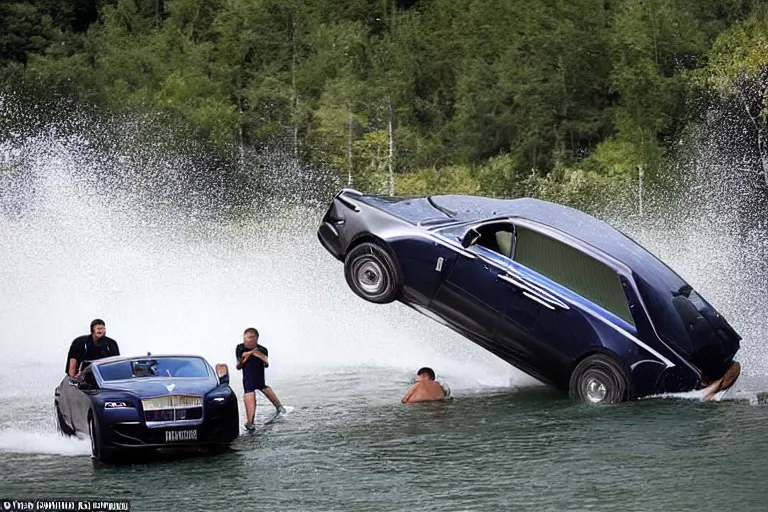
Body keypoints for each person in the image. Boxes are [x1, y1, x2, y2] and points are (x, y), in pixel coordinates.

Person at [235, 327, 286, 431]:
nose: (246, 340)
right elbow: (239, 364)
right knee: (249, 391)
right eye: (245, 338)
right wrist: (250, 353)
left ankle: (279, 407)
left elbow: (266, 363)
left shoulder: (262, 349)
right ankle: (250, 422)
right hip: (248, 377)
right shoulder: (240, 348)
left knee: (262, 386)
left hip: (259, 375)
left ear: (255, 339)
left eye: (249, 338)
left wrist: (256, 354)